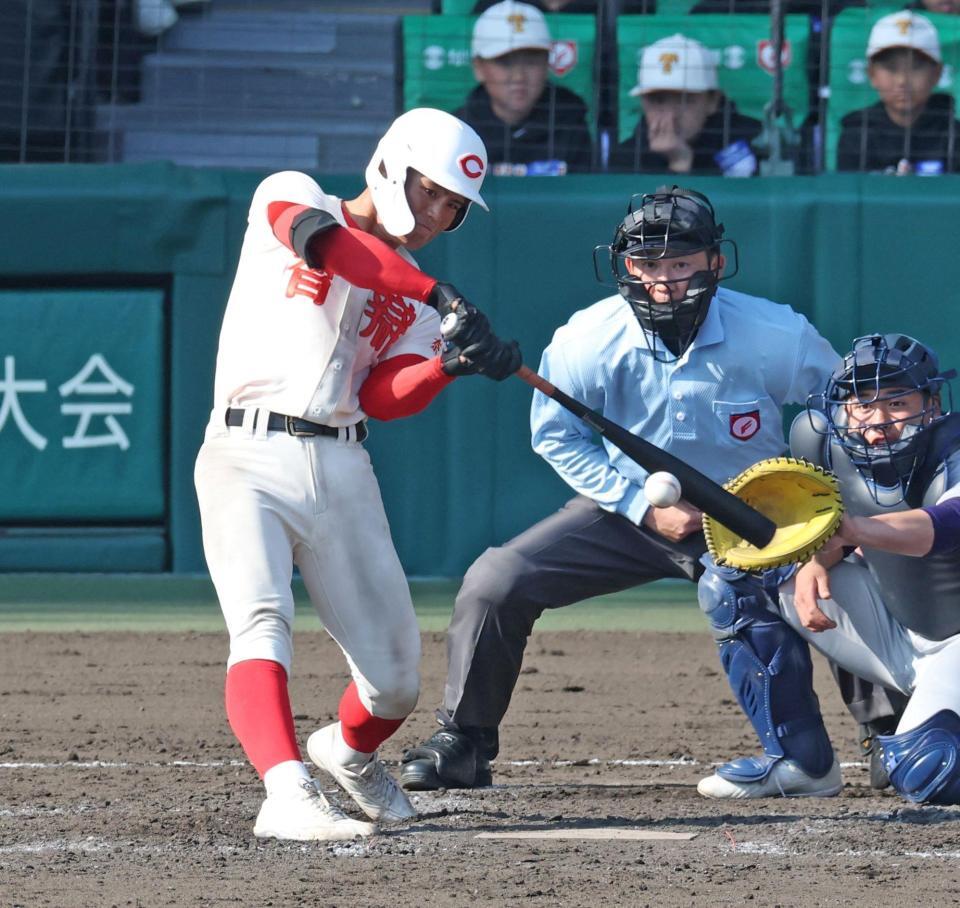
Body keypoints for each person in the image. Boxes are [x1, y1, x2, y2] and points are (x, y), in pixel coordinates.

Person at [398, 186, 839, 791]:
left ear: (715, 260)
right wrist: (637, 505)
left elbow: (839, 418)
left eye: (680, 263)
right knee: (497, 579)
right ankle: (463, 742)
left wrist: (817, 520)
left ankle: (884, 733)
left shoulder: (774, 333)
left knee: (847, 576)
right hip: (627, 514)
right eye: (647, 266)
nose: (664, 282)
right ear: (624, 267)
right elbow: (556, 437)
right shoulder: (587, 339)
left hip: (755, 517)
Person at [193, 107, 522, 841]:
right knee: (260, 624)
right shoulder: (295, 193)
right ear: (390, 164)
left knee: (395, 679)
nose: (437, 214)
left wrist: (450, 363)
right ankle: (285, 792)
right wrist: (438, 296)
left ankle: (342, 752)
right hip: (245, 452)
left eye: (453, 205)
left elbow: (380, 396)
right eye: (429, 190)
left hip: (343, 460)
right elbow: (331, 248)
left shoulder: (413, 302)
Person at [697, 334, 960, 803]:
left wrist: (848, 532)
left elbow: (943, 526)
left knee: (929, 770)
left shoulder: (954, 445)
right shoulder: (820, 441)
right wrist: (818, 558)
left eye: (897, 402)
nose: (878, 421)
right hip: (900, 635)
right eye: (863, 405)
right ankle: (802, 764)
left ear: (933, 403)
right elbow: (828, 521)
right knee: (736, 582)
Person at [455, 0, 594, 175]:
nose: (519, 76)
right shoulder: (456, 134)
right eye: (505, 62)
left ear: (547, 64)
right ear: (478, 68)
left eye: (531, 61)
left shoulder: (573, 126)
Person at [608, 34, 762, 177]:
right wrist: (678, 164)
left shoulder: (750, 149)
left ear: (712, 101)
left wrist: (681, 162)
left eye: (685, 100)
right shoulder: (625, 159)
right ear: (643, 103)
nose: (670, 115)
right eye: (658, 101)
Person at [837, 10, 960, 174]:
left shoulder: (955, 136)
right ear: (872, 74)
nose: (902, 80)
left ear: (936, 74)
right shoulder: (856, 135)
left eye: (915, 68)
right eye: (891, 68)